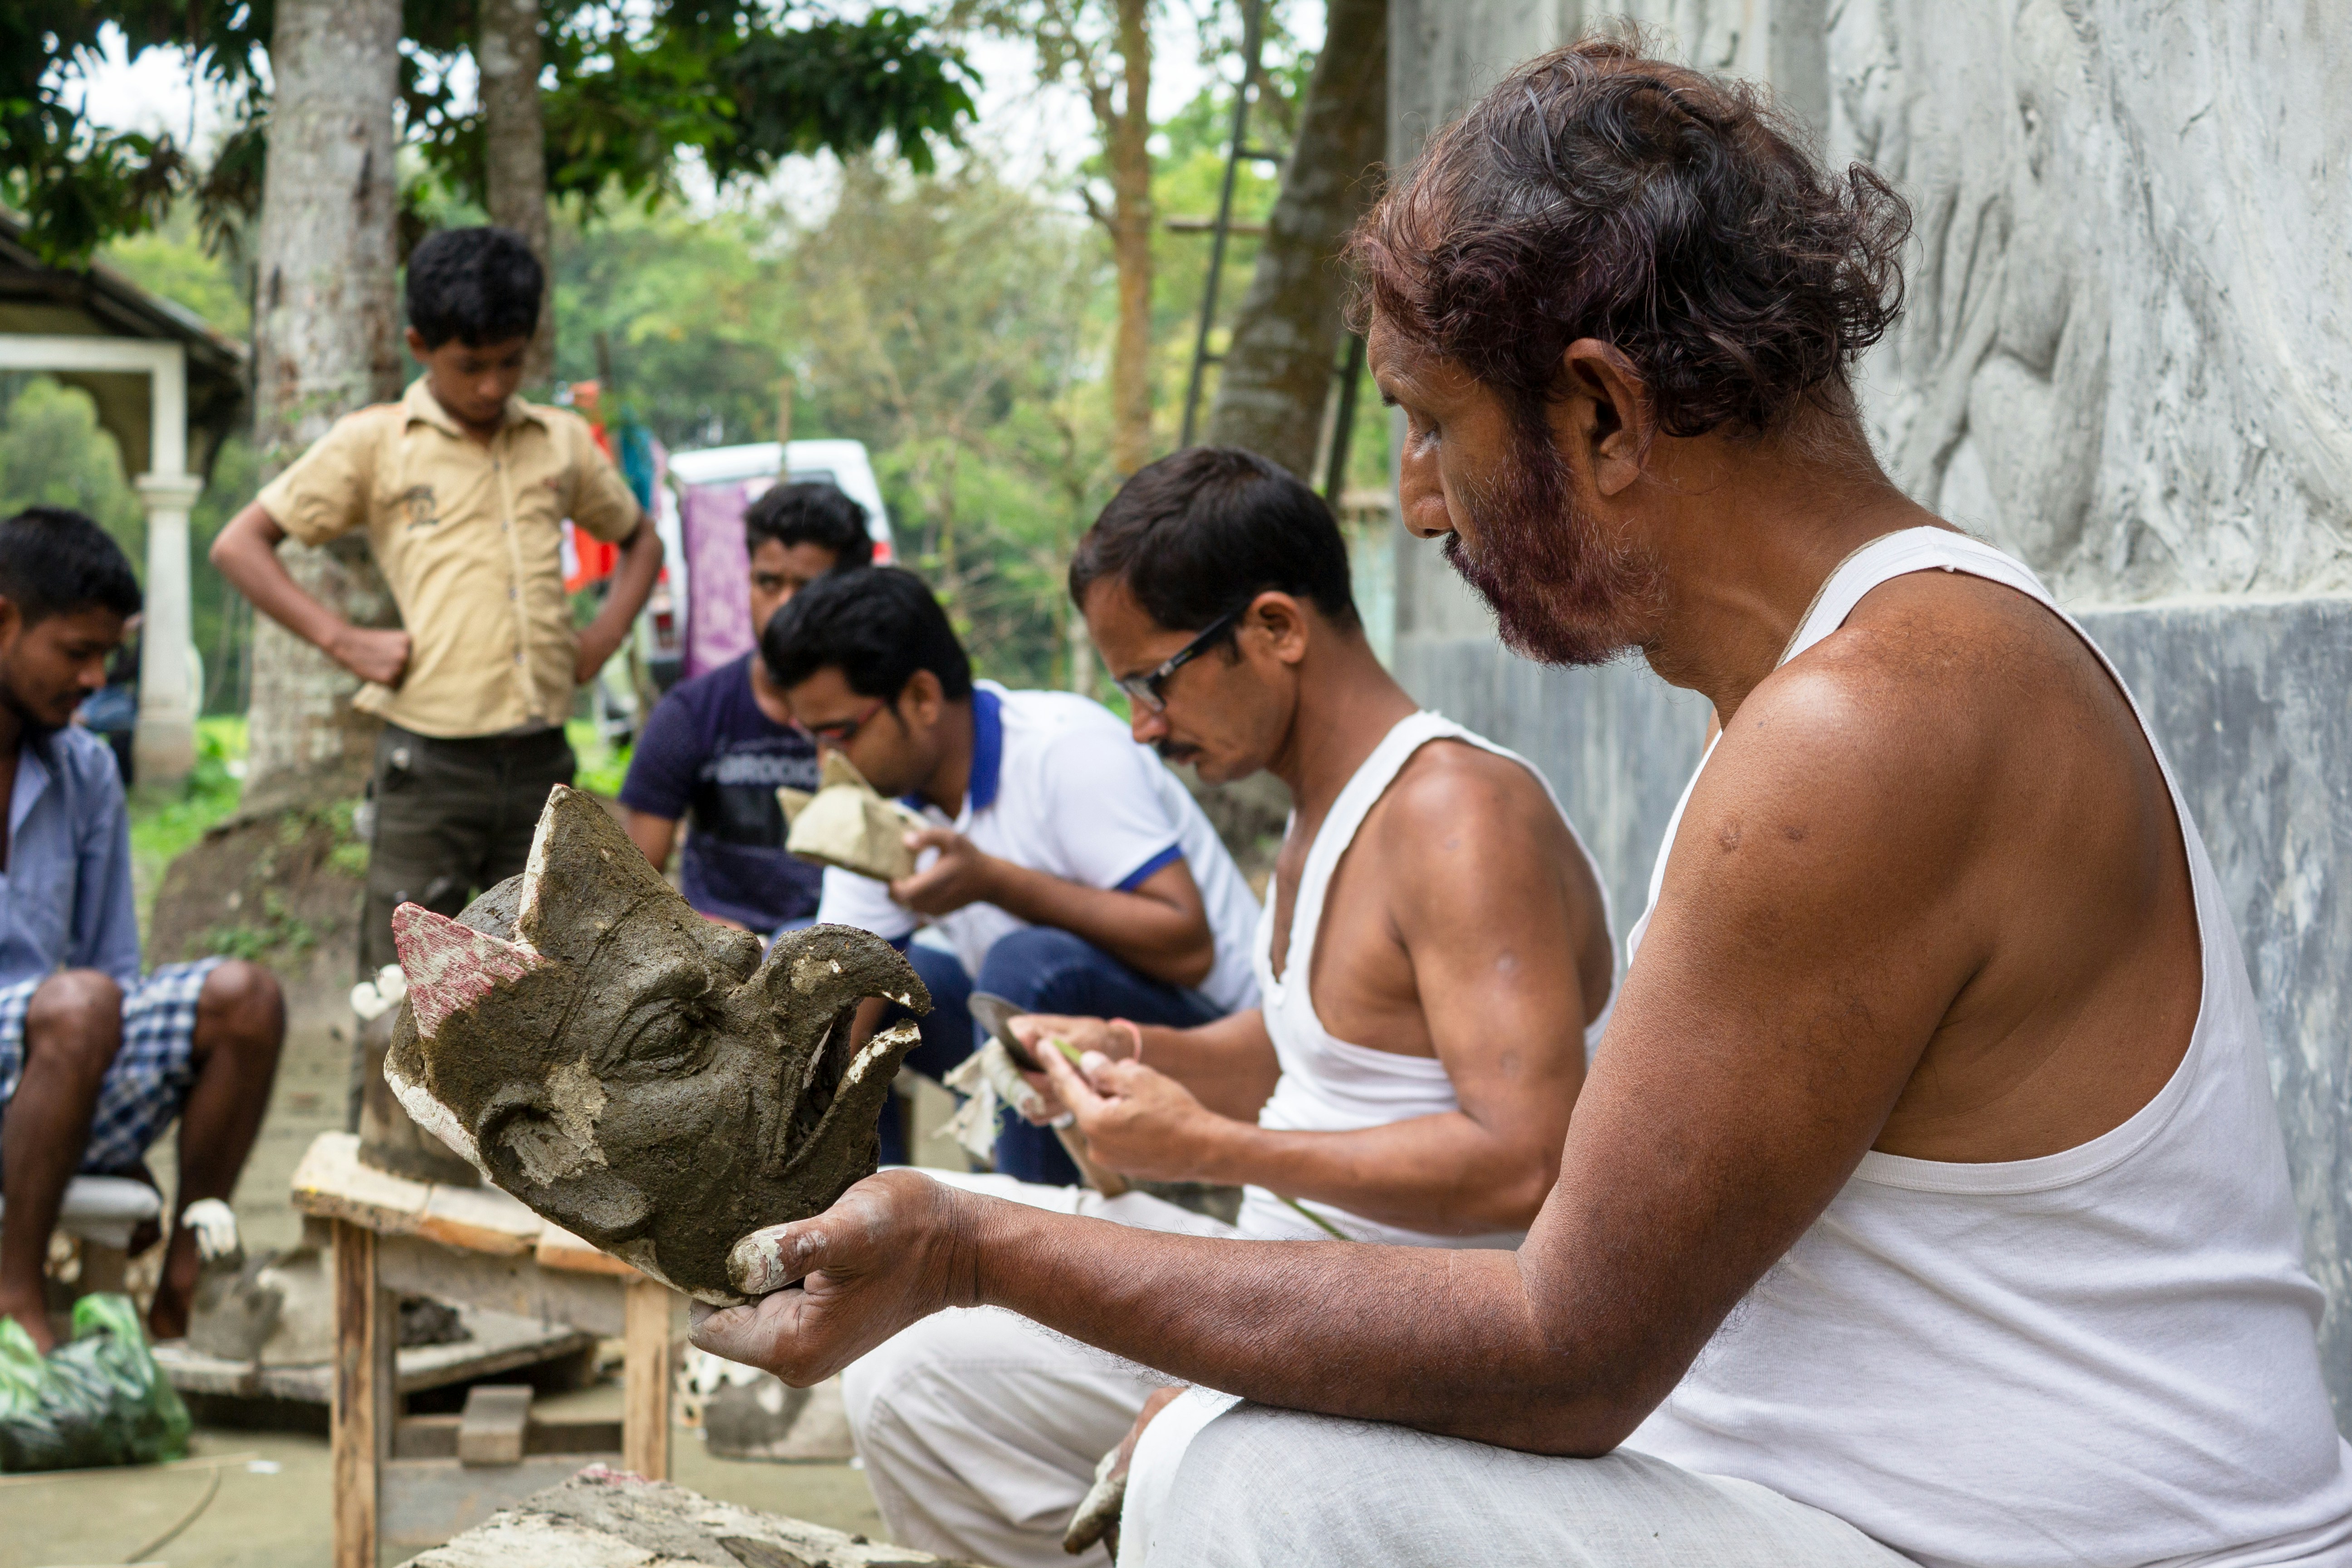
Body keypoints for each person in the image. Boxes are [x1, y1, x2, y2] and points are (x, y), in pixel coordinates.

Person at [691, 38, 2352, 1568]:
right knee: (1090, 1416)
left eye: (1432, 431)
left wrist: (978, 1245)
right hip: (1816, 1494)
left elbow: (1567, 1354)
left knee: (1254, 1491)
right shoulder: (1827, 691)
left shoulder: (1865, 727)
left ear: (1601, 415)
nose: (1418, 508)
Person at [837, 446, 1616, 1568]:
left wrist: (1214, 1147)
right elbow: (1306, 1057)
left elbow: (1528, 1163)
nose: (1145, 727)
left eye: (1154, 681)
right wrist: (1128, 1046)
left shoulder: (1456, 817)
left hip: (1415, 1317)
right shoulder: (1320, 813)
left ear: (1275, 628)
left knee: (978, 1369)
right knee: (907, 1328)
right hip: (1284, 1274)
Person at [211, 226, 661, 1146]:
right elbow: (241, 545)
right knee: (408, 985)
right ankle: (385, 1179)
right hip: (428, 767)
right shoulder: (377, 444)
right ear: (421, 349)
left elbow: (640, 537)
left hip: (540, 761)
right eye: (469, 366)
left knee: (539, 978)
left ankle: (526, 1193)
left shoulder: (562, 444)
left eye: (509, 362)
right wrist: (346, 641)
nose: (492, 385)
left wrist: (604, 635)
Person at [761, 567, 1262, 1180]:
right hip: (1037, 1017)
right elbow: (844, 1004)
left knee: (1023, 968)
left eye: (838, 734)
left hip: (1214, 1038)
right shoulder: (881, 803)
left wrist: (994, 882)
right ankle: (858, 1217)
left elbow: (1189, 948)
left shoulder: (1065, 751)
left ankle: (1013, 1232)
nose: (826, 763)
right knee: (821, 965)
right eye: (812, 739)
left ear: (920, 699)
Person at [0, 509, 284, 1351]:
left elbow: (110, 974)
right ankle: (16, 1298)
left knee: (248, 999)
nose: (95, 679)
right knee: (78, 1009)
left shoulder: (83, 768)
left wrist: (107, 1135)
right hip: (52, 1036)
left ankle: (181, 1290)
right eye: (76, 652)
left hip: (55, 1062)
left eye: (106, 658)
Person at [618, 480, 872, 933]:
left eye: (808, 588)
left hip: (850, 950)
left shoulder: (883, 720)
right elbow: (626, 887)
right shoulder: (691, 713)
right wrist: (710, 933)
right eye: (768, 583)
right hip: (720, 962)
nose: (784, 607)